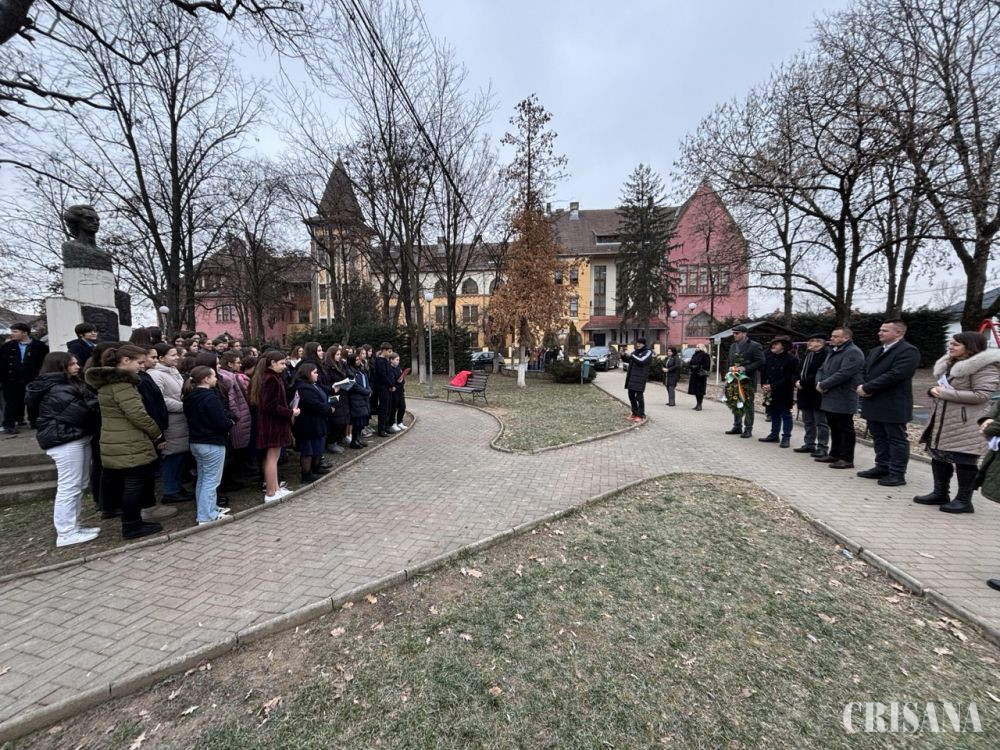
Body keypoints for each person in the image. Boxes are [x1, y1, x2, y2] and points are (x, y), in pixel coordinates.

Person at [84, 344, 165, 539]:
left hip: (117, 439)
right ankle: (132, 525)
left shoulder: (107, 384)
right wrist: (156, 433)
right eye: (139, 362)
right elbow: (138, 414)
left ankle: (132, 522)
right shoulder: (122, 386)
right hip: (129, 441)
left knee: (129, 483)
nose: (142, 367)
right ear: (125, 361)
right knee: (134, 484)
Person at [916, 332, 1000, 513]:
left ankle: (964, 500)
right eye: (950, 343)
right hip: (944, 421)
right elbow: (943, 387)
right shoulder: (950, 363)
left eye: (956, 344)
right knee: (939, 456)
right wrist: (933, 391)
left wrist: (943, 393)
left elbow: (982, 395)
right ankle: (940, 493)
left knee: (965, 460)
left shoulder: (985, 367)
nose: (950, 346)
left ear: (969, 347)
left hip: (967, 423)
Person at [25, 352, 101, 547]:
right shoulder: (56, 389)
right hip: (66, 440)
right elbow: (81, 413)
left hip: (75, 436)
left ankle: (74, 525)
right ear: (60, 366)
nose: (77, 367)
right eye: (72, 364)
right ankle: (66, 532)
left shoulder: (68, 384)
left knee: (79, 484)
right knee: (69, 486)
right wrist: (95, 404)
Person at [855, 319, 922, 487]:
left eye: (885, 330)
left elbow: (896, 374)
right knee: (878, 436)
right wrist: (862, 385)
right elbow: (863, 370)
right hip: (873, 401)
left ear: (899, 333)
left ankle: (897, 473)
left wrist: (868, 387)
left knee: (896, 439)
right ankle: (882, 466)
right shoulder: (876, 351)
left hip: (893, 403)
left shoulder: (908, 351)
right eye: (880, 330)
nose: (880, 333)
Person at [183, 366, 234, 524]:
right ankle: (206, 515)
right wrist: (231, 422)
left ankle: (207, 508)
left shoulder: (190, 396)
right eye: (213, 376)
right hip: (211, 442)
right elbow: (220, 422)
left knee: (203, 478)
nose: (216, 379)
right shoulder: (210, 398)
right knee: (211, 480)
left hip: (196, 441)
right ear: (206, 379)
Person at [250, 350, 299, 503]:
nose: (284, 366)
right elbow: (269, 406)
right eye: (282, 363)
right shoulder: (270, 379)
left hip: (272, 424)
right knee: (272, 458)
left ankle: (275, 487)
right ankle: (271, 492)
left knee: (271, 458)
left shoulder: (271, 378)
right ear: (272, 363)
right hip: (273, 425)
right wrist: (290, 412)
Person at [146, 343, 192, 504]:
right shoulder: (155, 374)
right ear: (161, 358)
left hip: (180, 421)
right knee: (172, 456)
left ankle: (177, 486)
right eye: (173, 355)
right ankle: (170, 490)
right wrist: (184, 406)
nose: (177, 357)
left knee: (180, 455)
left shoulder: (173, 371)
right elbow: (159, 400)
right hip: (171, 422)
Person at [815, 327, 864, 470]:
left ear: (846, 338)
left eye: (836, 336)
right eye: (832, 336)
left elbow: (844, 373)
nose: (832, 339)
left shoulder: (853, 352)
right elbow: (822, 369)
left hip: (843, 396)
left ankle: (847, 458)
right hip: (829, 395)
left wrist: (824, 384)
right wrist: (818, 382)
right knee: (834, 427)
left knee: (845, 428)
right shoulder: (833, 351)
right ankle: (834, 454)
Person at [0, 322, 49, 435]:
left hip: (32, 379)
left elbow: (44, 362)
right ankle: (9, 424)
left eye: (15, 331)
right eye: (12, 331)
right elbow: (1, 364)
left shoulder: (39, 346)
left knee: (33, 401)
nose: (12, 334)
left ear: (25, 333)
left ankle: (35, 421)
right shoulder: (7, 346)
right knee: (11, 402)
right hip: (11, 379)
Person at [292, 363, 332, 483]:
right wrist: (328, 409)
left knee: (317, 446)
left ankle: (316, 467)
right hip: (307, 423)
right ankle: (306, 474)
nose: (317, 375)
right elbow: (314, 404)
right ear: (307, 374)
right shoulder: (303, 388)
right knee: (307, 449)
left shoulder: (313, 385)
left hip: (317, 421)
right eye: (314, 372)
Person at [724, 325, 765, 437]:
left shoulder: (755, 345)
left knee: (748, 404)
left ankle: (748, 429)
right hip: (734, 380)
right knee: (735, 402)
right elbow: (729, 361)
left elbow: (761, 361)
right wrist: (728, 375)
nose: (734, 335)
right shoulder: (733, 346)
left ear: (744, 333)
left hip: (748, 381)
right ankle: (737, 426)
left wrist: (746, 368)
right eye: (733, 333)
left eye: (737, 333)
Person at [794, 334, 830, 458]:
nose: (812, 343)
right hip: (804, 392)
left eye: (815, 341)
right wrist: (796, 380)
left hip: (816, 392)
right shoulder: (808, 355)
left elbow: (819, 373)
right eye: (811, 341)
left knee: (821, 422)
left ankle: (822, 447)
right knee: (808, 420)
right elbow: (799, 370)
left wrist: (803, 382)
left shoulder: (826, 355)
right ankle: (809, 443)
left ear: (821, 343)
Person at [759, 337, 798, 448]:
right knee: (774, 412)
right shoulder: (769, 357)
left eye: (776, 344)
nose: (773, 346)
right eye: (773, 344)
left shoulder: (792, 359)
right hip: (771, 391)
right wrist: (764, 384)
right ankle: (774, 434)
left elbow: (789, 377)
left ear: (784, 346)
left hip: (784, 391)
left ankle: (786, 437)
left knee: (785, 414)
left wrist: (772, 386)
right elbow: (764, 372)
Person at [346, 350, 373, 448]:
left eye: (358, 359)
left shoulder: (361, 370)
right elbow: (355, 386)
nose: (358, 361)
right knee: (357, 422)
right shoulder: (349, 371)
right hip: (356, 399)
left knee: (362, 421)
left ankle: (358, 439)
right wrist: (366, 392)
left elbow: (366, 381)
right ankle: (354, 441)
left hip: (364, 399)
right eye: (356, 360)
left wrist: (369, 390)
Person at [623, 337, 653, 421]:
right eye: (637, 343)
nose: (638, 345)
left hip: (640, 378)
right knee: (631, 396)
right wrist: (623, 355)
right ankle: (634, 413)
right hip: (632, 377)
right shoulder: (635, 352)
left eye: (640, 343)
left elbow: (641, 361)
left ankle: (640, 415)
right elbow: (629, 360)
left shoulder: (648, 352)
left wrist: (631, 356)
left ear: (644, 344)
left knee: (639, 397)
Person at [372, 343, 396, 436]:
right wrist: (390, 385)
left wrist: (392, 384)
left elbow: (390, 374)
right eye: (389, 351)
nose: (391, 353)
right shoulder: (380, 361)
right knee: (383, 408)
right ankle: (381, 429)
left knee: (388, 407)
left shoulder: (386, 360)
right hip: (383, 387)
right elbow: (383, 376)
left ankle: (386, 426)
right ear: (384, 350)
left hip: (388, 387)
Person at [389, 351, 408, 431]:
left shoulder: (398, 368)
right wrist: (397, 382)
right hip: (394, 391)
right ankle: (392, 423)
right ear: (391, 360)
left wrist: (402, 380)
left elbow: (402, 379)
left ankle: (400, 422)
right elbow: (390, 381)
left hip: (400, 391)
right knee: (393, 408)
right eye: (396, 360)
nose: (398, 361)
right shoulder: (389, 369)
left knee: (402, 407)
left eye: (398, 360)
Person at [688, 344, 711, 411]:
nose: (696, 348)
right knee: (695, 390)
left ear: (702, 348)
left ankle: (699, 405)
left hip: (701, 375)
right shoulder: (694, 355)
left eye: (698, 347)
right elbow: (691, 362)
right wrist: (691, 366)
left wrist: (698, 366)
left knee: (700, 390)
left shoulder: (705, 355)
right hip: (694, 374)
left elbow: (707, 365)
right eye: (696, 347)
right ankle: (697, 404)